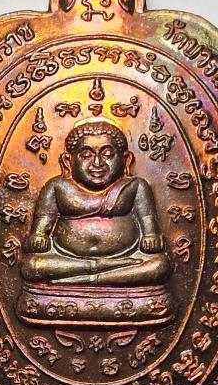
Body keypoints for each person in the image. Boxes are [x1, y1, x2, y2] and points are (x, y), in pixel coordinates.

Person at [20, 118, 173, 286]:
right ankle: (95, 268)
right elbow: (44, 218)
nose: (97, 163)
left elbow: (147, 218)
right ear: (68, 161)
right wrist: (39, 236)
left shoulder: (135, 186)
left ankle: (92, 278)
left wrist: (151, 236)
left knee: (159, 266)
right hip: (69, 259)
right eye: (86, 155)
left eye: (108, 154)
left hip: (125, 258)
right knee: (32, 265)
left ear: (126, 160)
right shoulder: (58, 187)